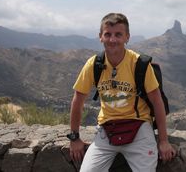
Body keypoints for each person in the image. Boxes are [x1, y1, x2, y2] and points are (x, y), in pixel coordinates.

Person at [68, 12, 176, 172]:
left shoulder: (139, 64)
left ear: (127, 37)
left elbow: (157, 101)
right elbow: (78, 101)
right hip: (106, 129)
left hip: (139, 128)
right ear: (100, 37)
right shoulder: (93, 64)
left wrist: (163, 140)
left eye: (118, 34)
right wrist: (74, 138)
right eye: (108, 34)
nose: (112, 40)